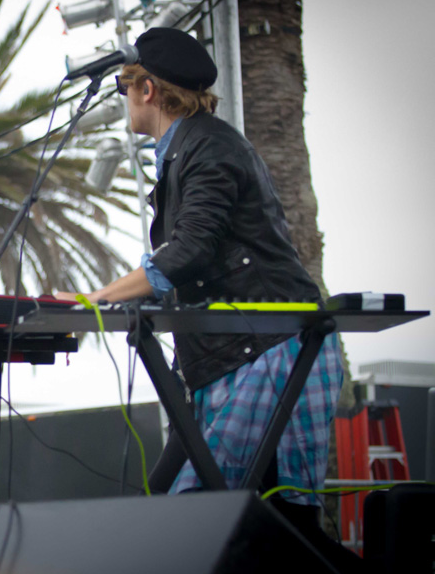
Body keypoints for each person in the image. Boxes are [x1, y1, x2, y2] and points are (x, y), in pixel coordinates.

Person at [56, 27, 342, 523]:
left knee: (219, 517)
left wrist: (96, 299)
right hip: (235, 354)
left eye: (124, 88)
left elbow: (188, 249)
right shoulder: (188, 148)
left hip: (271, 352)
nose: (124, 99)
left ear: (147, 90)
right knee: (184, 510)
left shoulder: (209, 147)